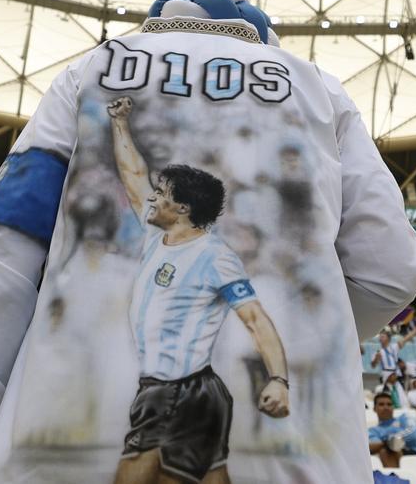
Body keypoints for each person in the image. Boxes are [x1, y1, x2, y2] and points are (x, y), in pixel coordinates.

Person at [0, 0, 416, 484]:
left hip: (169, 395)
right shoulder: (319, 88)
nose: (151, 199)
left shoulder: (92, 69)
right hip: (242, 424)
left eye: (162, 195)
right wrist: (319, 337)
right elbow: (391, 270)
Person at [107, 97, 290, 483]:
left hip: (178, 393)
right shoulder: (156, 237)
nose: (152, 196)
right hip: (182, 391)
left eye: (162, 193)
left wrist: (278, 379)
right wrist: (120, 124)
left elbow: (255, 318)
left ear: (183, 208)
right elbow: (132, 173)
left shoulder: (213, 256)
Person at [368, 392, 416, 468]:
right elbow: (373, 447)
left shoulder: (404, 418)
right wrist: (390, 443)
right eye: (381, 404)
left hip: (414, 456)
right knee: (387, 450)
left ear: (393, 407)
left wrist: (390, 440)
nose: (386, 407)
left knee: (391, 448)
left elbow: (414, 435)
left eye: (389, 404)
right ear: (374, 409)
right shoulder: (373, 431)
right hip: (390, 455)